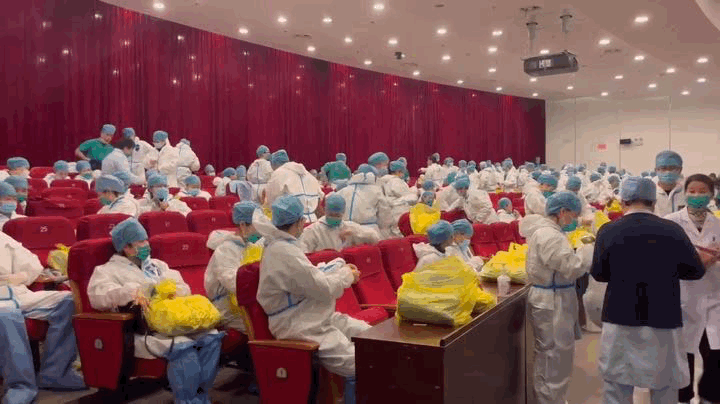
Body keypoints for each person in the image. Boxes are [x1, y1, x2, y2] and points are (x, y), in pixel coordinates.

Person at [590, 176, 708, 404]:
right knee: (664, 386)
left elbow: (599, 274)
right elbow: (694, 271)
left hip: (620, 318)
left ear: (623, 201)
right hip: (663, 320)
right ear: (653, 202)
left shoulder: (609, 231)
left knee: (617, 388)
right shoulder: (672, 230)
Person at [87, 218, 223, 404]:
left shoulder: (157, 265)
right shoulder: (107, 271)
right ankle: (187, 401)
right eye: (141, 242)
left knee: (212, 338)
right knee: (183, 347)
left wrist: (169, 291)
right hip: (144, 330)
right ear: (126, 247)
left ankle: (201, 397)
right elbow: (98, 297)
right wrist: (134, 291)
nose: (147, 245)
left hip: (174, 321)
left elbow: (184, 287)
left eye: (146, 240)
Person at [256, 195, 367, 404]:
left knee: (369, 335)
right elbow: (322, 287)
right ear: (299, 222)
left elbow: (308, 276)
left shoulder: (284, 245)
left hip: (312, 314)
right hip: (299, 323)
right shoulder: (283, 251)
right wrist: (346, 276)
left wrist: (337, 266)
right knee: (359, 363)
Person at [519, 191, 594, 404]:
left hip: (555, 296)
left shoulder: (552, 233)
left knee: (555, 354)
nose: (575, 220)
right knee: (554, 356)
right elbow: (571, 267)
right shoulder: (549, 236)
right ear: (562, 212)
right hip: (552, 300)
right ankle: (549, 400)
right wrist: (587, 250)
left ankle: (553, 398)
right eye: (573, 215)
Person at [664, 174, 720, 404]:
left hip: (714, 298)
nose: (697, 196)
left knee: (715, 354)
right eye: (692, 191)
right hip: (682, 298)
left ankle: (710, 397)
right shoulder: (670, 223)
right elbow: (662, 260)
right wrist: (697, 261)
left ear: (712, 195)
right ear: (684, 193)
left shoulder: (718, 223)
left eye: (702, 191)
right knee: (681, 356)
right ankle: (682, 398)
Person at [205, 201, 263, 332]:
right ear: (243, 225)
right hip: (228, 309)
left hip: (248, 303)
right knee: (267, 325)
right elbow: (234, 283)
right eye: (258, 225)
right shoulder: (225, 250)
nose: (261, 230)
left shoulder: (250, 246)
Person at [300, 193, 381, 253]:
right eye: (331, 215)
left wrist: (355, 232)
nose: (334, 218)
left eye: (337, 215)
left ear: (343, 213)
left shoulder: (348, 226)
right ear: (325, 211)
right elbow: (304, 252)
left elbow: (374, 237)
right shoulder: (313, 230)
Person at [265, 150, 324, 223]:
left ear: (273, 164)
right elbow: (319, 200)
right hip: (313, 221)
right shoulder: (308, 174)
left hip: (291, 224)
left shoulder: (277, 174)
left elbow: (273, 201)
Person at [335, 165, 391, 238]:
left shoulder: (342, 191)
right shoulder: (376, 191)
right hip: (369, 232)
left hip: (345, 231)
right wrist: (384, 231)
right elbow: (384, 214)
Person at [381, 160, 418, 238]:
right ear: (398, 171)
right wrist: (414, 191)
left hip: (387, 211)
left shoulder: (383, 180)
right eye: (402, 172)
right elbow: (407, 196)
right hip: (398, 211)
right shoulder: (396, 181)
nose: (403, 174)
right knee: (399, 234)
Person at [654, 150, 686, 217]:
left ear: (680, 170)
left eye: (672, 168)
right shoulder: (650, 193)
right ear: (656, 170)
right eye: (663, 168)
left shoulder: (686, 192)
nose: (668, 172)